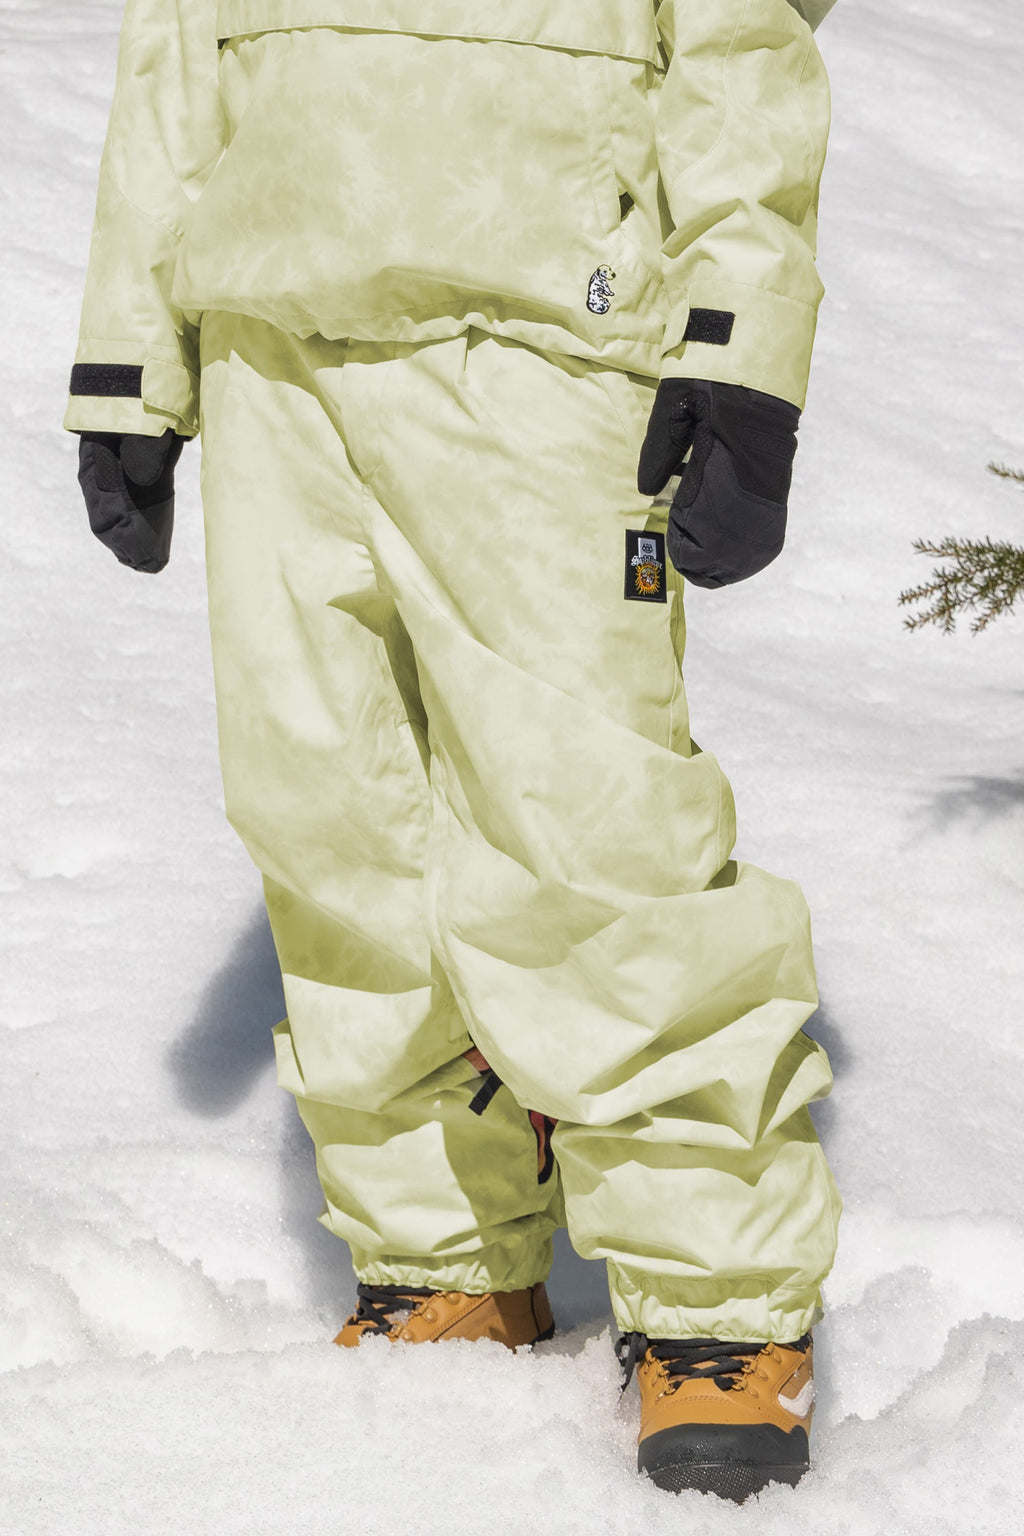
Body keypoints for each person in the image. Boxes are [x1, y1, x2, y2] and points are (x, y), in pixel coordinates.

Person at [65, 0, 842, 1503]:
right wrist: (132, 348)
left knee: (594, 827)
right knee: (330, 819)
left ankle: (717, 1306)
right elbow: (173, 35)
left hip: (547, 319)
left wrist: (741, 332)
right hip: (272, 331)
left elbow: (748, 36)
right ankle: (440, 1258)